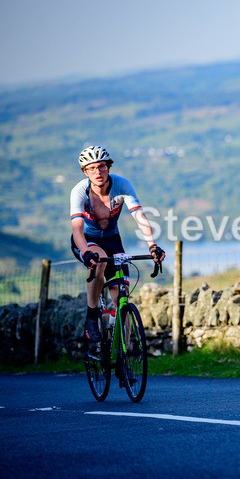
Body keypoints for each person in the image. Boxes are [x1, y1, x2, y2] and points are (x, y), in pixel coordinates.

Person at [70, 146, 165, 345]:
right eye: (92, 168)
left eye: (102, 166)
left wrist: (152, 246)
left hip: (113, 240)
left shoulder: (122, 185)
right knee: (99, 261)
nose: (98, 172)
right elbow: (77, 229)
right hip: (87, 240)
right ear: (85, 172)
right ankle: (91, 317)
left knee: (122, 300)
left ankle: (125, 353)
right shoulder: (79, 191)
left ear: (108, 167)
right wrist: (86, 252)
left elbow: (139, 216)